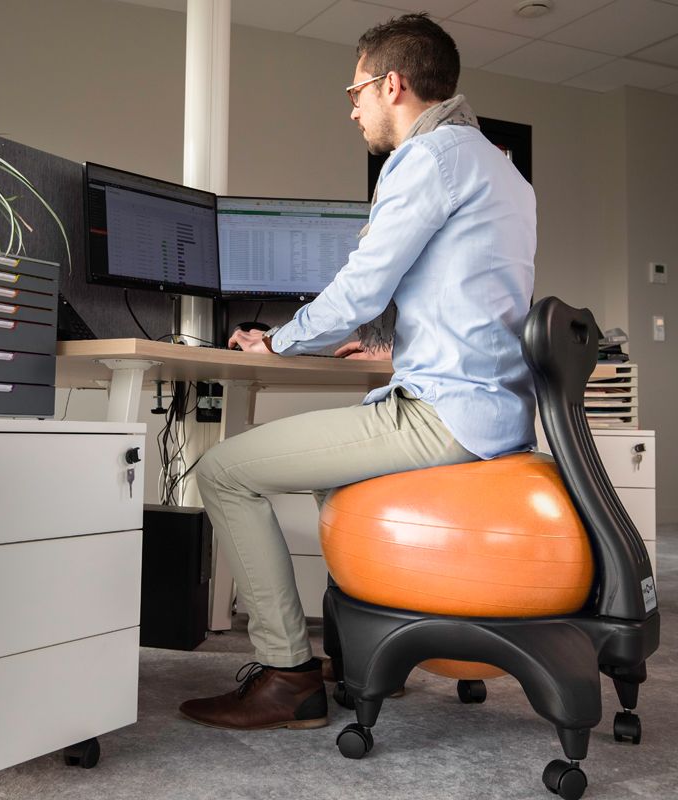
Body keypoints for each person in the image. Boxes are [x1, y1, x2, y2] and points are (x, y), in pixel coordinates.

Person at [179, 12, 537, 731]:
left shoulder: (426, 159)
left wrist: (276, 344)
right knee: (340, 482)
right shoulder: (501, 167)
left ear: (393, 83)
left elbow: (360, 289)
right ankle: (370, 659)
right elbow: (474, 302)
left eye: (357, 92)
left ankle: (288, 676)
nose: (353, 109)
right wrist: (392, 352)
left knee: (221, 471)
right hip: (489, 411)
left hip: (442, 416)